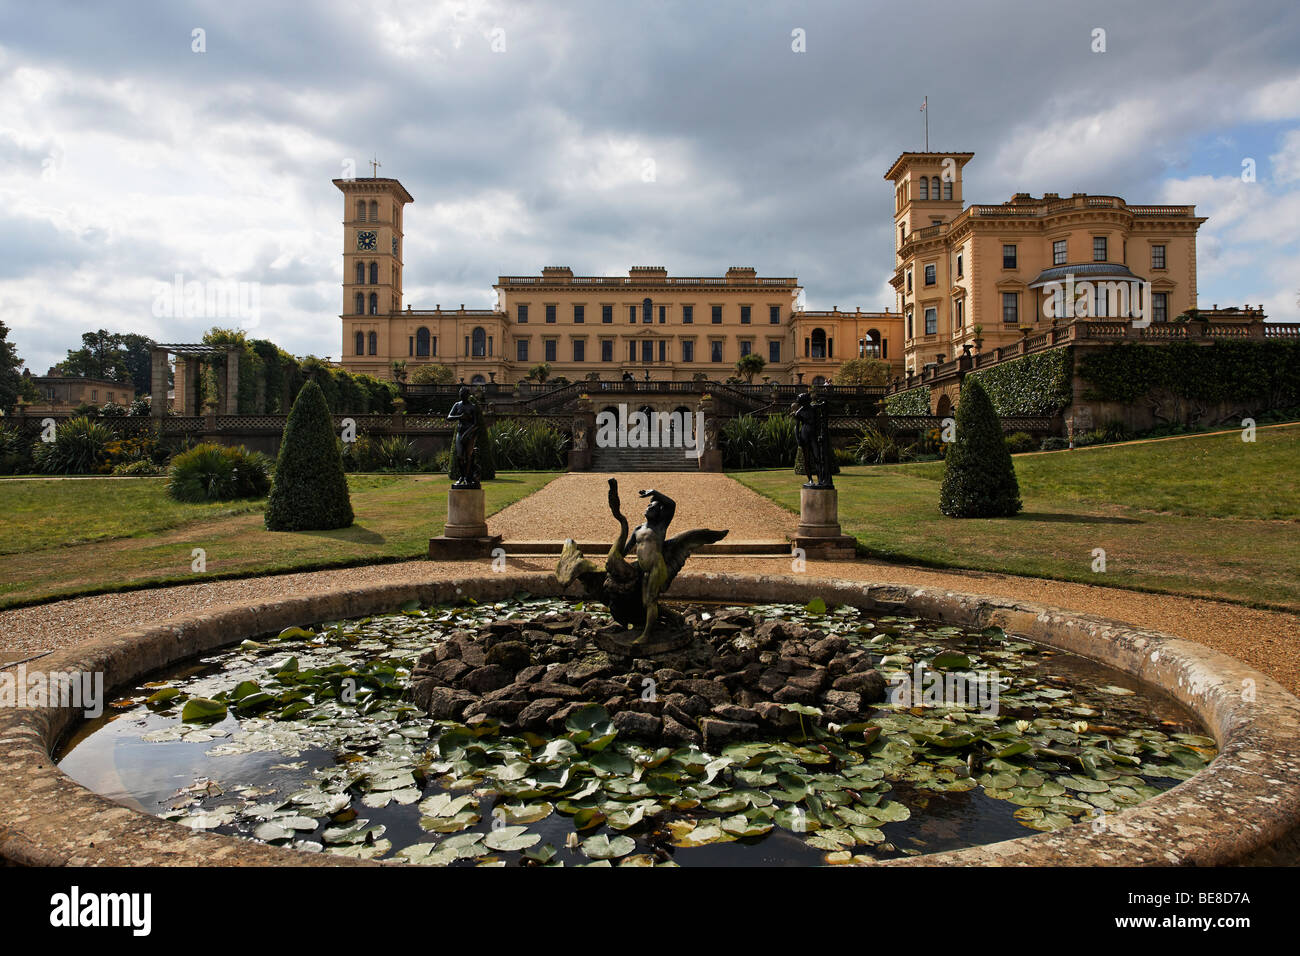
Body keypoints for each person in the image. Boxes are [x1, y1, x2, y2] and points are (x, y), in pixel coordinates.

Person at [791, 391, 832, 488]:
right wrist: (798, 440)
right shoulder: (799, 412)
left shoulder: (813, 408)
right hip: (805, 436)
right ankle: (810, 480)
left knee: (817, 458)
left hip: (813, 435)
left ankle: (820, 479)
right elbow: (796, 427)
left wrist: (824, 401)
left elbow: (822, 405)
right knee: (807, 460)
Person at [445, 386, 481, 488]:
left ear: (467, 395)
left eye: (464, 395)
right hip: (460, 432)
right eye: (460, 395)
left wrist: (468, 433)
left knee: (469, 456)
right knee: (460, 456)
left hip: (470, 433)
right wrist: (459, 417)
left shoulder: (472, 407)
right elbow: (449, 417)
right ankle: (462, 476)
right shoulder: (457, 405)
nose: (462, 397)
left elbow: (476, 423)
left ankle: (467, 478)